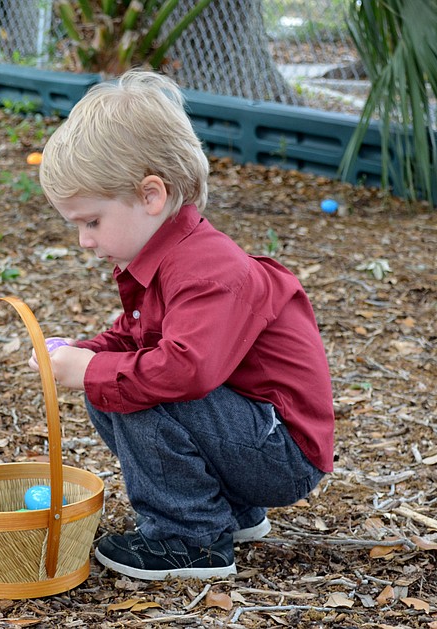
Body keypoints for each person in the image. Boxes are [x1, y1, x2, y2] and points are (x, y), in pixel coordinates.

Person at [29, 69, 335, 581]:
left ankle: (190, 538)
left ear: (151, 195)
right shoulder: (167, 257)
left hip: (283, 452)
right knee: (111, 380)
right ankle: (230, 512)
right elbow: (134, 336)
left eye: (92, 221)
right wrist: (83, 353)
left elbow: (184, 371)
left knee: (131, 390)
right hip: (253, 434)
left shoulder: (208, 270)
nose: (84, 240)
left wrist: (93, 370)